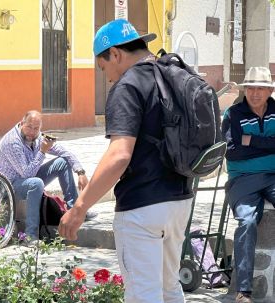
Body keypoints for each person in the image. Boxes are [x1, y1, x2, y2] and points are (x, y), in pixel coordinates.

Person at [59, 19, 194, 303]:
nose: (107, 77)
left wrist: (79, 207)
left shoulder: (128, 85)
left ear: (116, 54)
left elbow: (120, 155)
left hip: (142, 207)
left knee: (143, 295)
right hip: (180, 200)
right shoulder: (172, 73)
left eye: (104, 67)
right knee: (170, 288)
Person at [0, 110, 90, 243]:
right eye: (29, 127)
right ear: (22, 123)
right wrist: (42, 151)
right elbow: (27, 174)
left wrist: (80, 172)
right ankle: (30, 236)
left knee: (62, 162)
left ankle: (74, 210)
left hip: (27, 177)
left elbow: (64, 152)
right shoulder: (12, 142)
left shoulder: (37, 137)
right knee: (36, 183)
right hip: (9, 186)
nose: (32, 132)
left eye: (36, 128)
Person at [222, 66, 275, 303]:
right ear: (245, 89)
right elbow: (232, 153)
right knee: (246, 221)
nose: (255, 93)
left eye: (261, 88)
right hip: (242, 179)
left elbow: (243, 146)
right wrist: (269, 144)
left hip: (273, 175)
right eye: (251, 88)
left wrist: (250, 140)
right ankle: (243, 292)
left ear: (269, 90)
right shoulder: (233, 114)